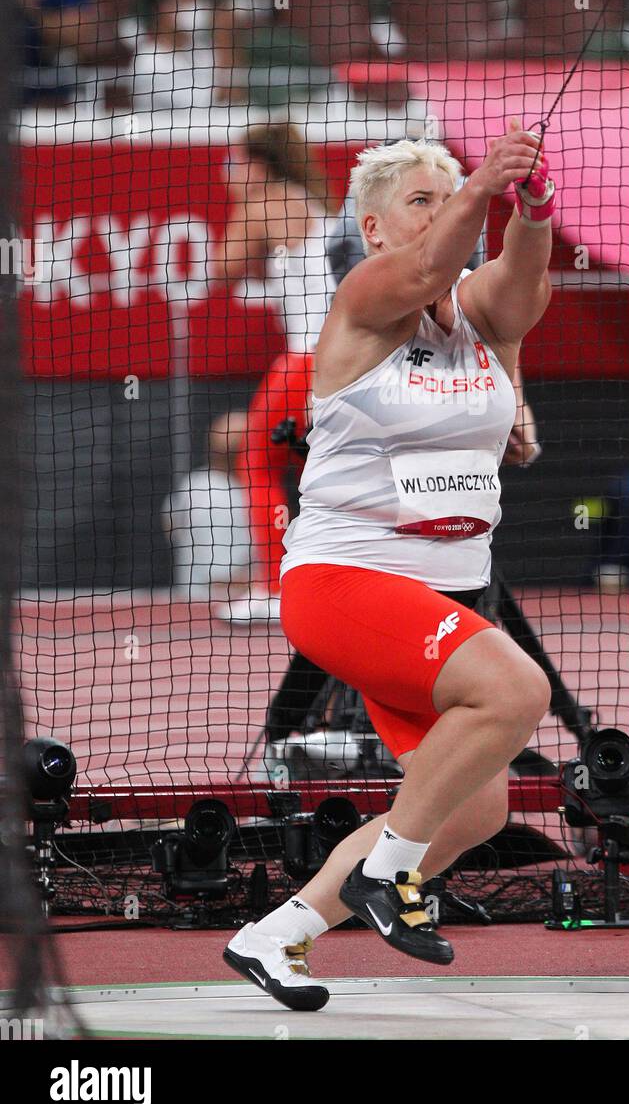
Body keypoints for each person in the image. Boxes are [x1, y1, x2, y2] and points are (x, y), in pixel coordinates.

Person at [223, 121, 556, 1009]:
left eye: (448, 200)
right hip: (342, 585)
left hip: (431, 596)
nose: (442, 212)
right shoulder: (368, 293)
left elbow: (521, 294)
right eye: (422, 200)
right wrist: (481, 185)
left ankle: (275, 935)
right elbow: (420, 272)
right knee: (518, 692)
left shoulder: (476, 311)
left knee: (478, 809)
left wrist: (532, 208)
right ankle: (389, 877)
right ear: (373, 227)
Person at [209, 122, 339, 620]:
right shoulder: (315, 202)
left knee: (257, 461)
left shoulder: (264, 202)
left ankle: (276, 586)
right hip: (349, 362)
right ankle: (325, 579)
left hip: (308, 359)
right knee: (318, 473)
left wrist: (240, 202)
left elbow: (222, 269)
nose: (229, 173)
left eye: (235, 164)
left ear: (258, 166)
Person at [161, 412, 252, 599]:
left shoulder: (193, 483)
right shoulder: (222, 499)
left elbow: (169, 525)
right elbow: (221, 578)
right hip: (222, 612)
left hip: (194, 607)